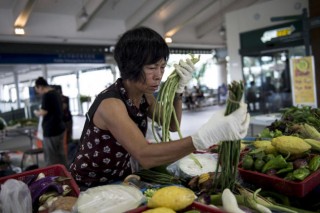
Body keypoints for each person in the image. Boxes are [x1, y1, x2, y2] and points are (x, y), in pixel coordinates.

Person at [69, 26, 250, 190]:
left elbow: (171, 124)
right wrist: (202, 138)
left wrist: (178, 91)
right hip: (91, 184)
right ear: (131, 66)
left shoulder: (144, 96)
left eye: (162, 67)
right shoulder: (111, 104)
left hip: (119, 178)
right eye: (152, 68)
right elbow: (144, 155)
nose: (159, 75)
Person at [33, 77, 67, 167]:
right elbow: (62, 107)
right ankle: (65, 174)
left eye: (37, 89)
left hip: (51, 130)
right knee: (60, 155)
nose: (38, 92)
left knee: (50, 157)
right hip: (60, 128)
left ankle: (52, 178)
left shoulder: (47, 95)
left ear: (40, 87)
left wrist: (36, 113)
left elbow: (44, 111)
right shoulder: (56, 93)